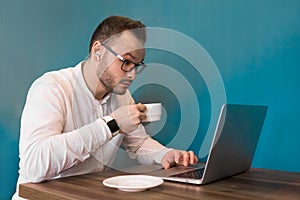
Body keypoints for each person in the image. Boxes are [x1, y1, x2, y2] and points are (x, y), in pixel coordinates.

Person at [12, 16, 198, 199]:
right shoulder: (51, 87)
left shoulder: (122, 96)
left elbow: (139, 143)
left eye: (137, 65)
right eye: (125, 62)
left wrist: (166, 155)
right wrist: (112, 124)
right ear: (98, 51)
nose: (132, 75)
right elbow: (34, 164)